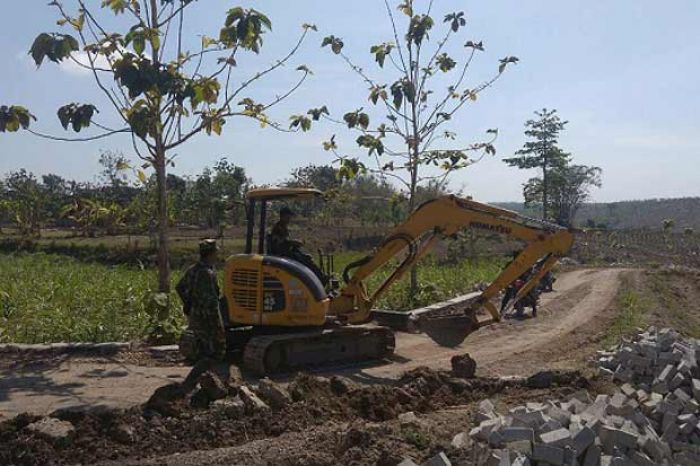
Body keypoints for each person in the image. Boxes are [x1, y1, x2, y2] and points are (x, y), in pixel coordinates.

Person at [176, 239, 226, 363]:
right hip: (208, 315)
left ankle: (199, 369)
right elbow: (211, 300)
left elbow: (180, 287)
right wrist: (218, 322)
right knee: (216, 348)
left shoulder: (193, 269)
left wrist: (188, 303)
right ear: (211, 254)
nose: (216, 255)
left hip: (195, 314)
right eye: (215, 253)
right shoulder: (207, 273)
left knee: (199, 345)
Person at [269, 206, 325, 281]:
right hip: (281, 254)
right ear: (282, 216)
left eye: (290, 217)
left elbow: (286, 242)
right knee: (305, 261)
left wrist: (295, 244)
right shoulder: (278, 228)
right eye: (288, 217)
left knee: (307, 258)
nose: (289, 219)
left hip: (286, 252)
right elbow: (280, 244)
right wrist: (293, 242)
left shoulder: (283, 227)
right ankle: (319, 279)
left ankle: (319, 277)